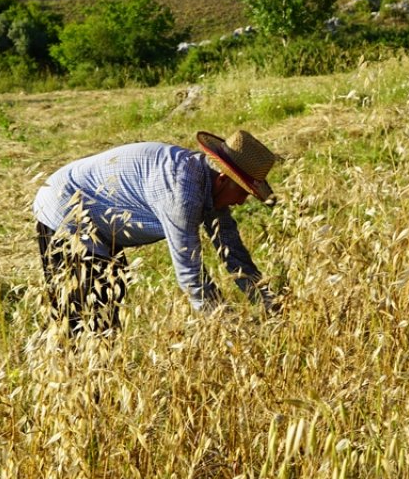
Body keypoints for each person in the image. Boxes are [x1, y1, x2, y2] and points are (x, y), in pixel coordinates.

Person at [33, 130, 281, 336]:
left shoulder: (210, 188)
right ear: (222, 179)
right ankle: (70, 380)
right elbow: (191, 278)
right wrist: (235, 332)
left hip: (94, 211)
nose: (242, 201)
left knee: (112, 292)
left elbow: (234, 254)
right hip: (64, 207)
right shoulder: (181, 194)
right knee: (89, 315)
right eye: (243, 192)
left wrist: (272, 307)